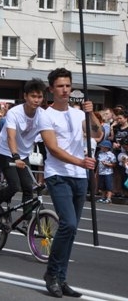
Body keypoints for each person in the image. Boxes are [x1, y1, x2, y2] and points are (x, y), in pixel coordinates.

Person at [37, 68, 96, 298]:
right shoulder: (45, 114)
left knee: (71, 231)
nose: (65, 90)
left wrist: (92, 116)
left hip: (79, 176)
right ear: (51, 89)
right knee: (68, 224)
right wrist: (80, 162)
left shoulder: (79, 113)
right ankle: (51, 274)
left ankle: (61, 278)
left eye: (68, 86)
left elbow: (96, 134)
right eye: (60, 86)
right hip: (58, 174)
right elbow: (53, 148)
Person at [0, 79, 46, 225]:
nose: (36, 100)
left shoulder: (42, 115)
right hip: (6, 152)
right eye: (33, 96)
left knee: (28, 187)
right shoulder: (14, 113)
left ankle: (27, 221)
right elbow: (11, 136)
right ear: (25, 96)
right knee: (14, 185)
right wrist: (15, 156)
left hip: (23, 155)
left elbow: (47, 136)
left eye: (39, 97)